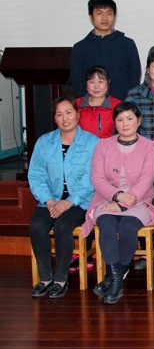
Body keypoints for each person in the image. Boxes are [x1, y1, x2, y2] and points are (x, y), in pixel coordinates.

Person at [81, 102, 154, 304]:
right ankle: (117, 279)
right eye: (120, 119)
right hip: (106, 199)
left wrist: (125, 203)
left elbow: (147, 179)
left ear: (138, 121)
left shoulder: (150, 146)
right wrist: (117, 197)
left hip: (140, 200)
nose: (125, 124)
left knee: (127, 226)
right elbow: (97, 178)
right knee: (106, 224)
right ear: (114, 123)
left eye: (130, 119)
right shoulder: (103, 145)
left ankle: (114, 277)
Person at [29, 95, 99, 298]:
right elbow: (36, 175)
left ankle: (60, 279)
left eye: (69, 112)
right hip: (50, 201)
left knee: (62, 225)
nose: (64, 118)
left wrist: (70, 202)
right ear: (55, 118)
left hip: (81, 202)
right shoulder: (44, 142)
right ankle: (45, 278)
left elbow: (91, 178)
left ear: (77, 115)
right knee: (37, 225)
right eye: (59, 114)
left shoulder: (92, 142)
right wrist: (49, 200)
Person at [69, 0, 141, 100]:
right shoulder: (80, 48)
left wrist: (126, 104)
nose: (105, 17)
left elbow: (134, 79)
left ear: (114, 16)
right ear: (91, 17)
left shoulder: (127, 44)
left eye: (109, 13)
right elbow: (77, 83)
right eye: (99, 13)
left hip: (122, 106)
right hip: (91, 106)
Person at [75, 66, 122, 139]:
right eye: (92, 82)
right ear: (86, 84)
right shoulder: (76, 104)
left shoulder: (118, 105)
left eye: (100, 82)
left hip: (109, 145)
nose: (96, 86)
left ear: (108, 83)